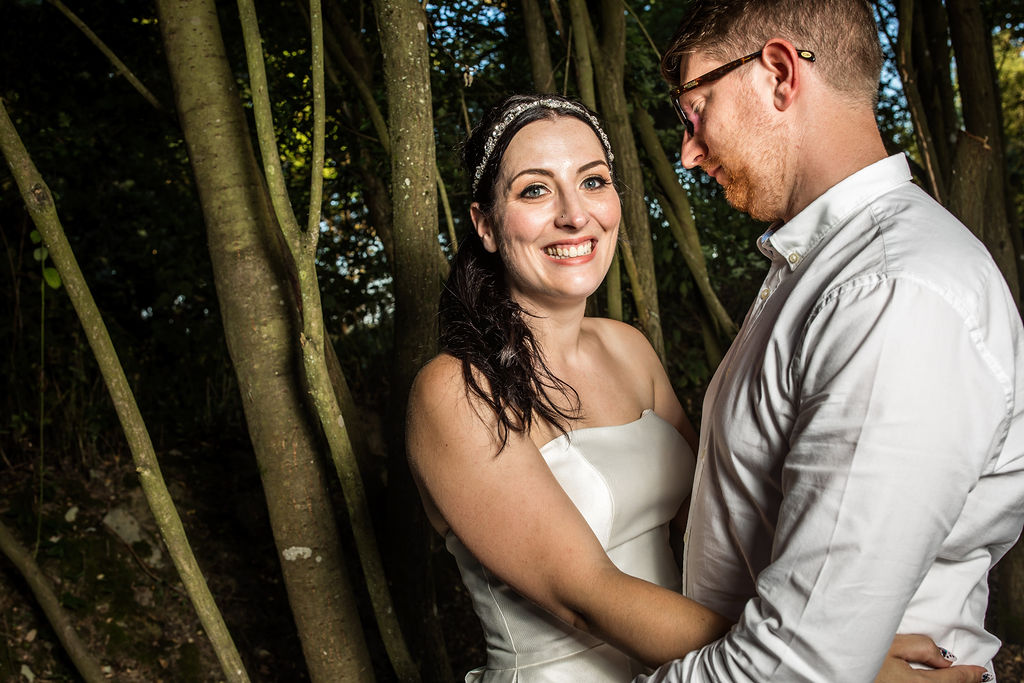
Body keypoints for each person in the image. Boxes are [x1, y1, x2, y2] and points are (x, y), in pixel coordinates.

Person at [407, 94, 989, 682]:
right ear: (485, 224)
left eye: (593, 181)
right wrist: (840, 664)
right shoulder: (455, 392)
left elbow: (717, 517)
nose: (574, 215)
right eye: (535, 190)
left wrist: (839, 629)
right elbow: (584, 593)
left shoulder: (628, 349)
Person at [640, 1, 1024, 681]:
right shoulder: (825, 272)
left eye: (696, 109)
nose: (689, 152)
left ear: (781, 73)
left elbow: (798, 666)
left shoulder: (893, 291)